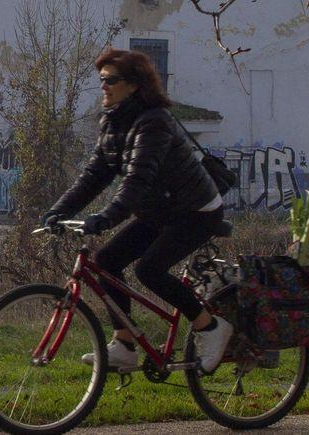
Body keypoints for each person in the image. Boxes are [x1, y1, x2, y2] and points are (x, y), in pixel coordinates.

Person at [40, 47, 232, 373]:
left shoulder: (154, 123)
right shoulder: (113, 122)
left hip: (195, 210)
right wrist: (57, 211)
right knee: (107, 261)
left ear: (133, 85)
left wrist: (106, 217)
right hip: (160, 210)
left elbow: (136, 181)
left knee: (149, 270)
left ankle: (210, 328)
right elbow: (93, 177)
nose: (103, 86)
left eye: (110, 79)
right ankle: (125, 344)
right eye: (101, 79)